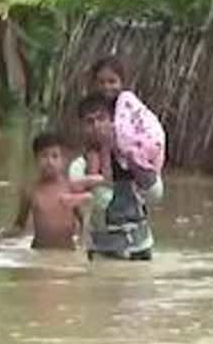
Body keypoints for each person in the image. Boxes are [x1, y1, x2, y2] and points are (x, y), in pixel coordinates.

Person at [68, 93, 164, 261]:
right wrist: (105, 153)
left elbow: (155, 194)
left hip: (140, 248)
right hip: (102, 251)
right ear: (81, 128)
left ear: (113, 122)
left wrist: (133, 161)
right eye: (90, 122)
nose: (96, 126)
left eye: (101, 119)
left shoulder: (134, 156)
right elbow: (101, 202)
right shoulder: (79, 166)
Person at [0, 132, 103, 250]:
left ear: (64, 160)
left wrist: (84, 242)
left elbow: (84, 220)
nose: (49, 162)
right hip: (39, 250)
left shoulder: (70, 187)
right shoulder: (30, 191)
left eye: (55, 156)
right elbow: (19, 226)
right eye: (44, 156)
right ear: (36, 159)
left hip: (67, 251)